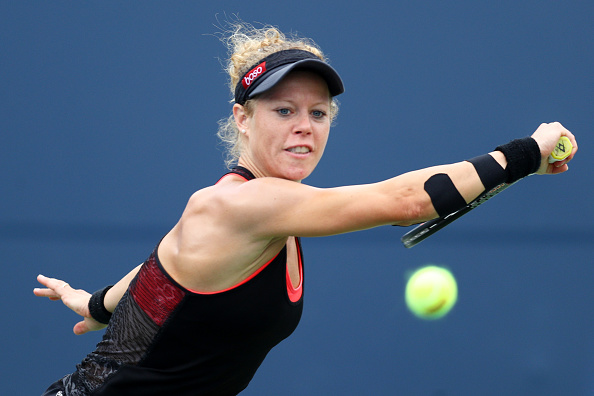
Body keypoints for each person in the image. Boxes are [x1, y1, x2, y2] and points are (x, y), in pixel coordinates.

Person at [34, 22, 578, 396]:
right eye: (283, 109)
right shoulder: (246, 204)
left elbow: (161, 266)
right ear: (242, 118)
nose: (304, 126)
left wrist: (99, 304)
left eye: (318, 113)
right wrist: (526, 153)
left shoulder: (237, 208)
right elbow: (407, 201)